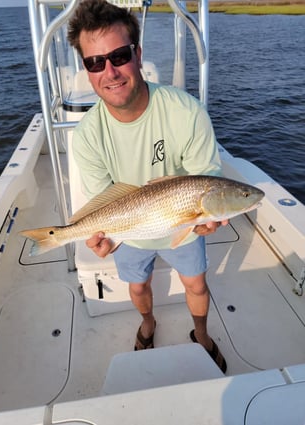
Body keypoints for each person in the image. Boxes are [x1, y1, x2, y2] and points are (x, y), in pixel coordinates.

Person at [68, 0, 227, 372]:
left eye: (119, 55)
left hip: (184, 225)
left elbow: (204, 180)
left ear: (137, 54)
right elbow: (106, 199)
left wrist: (206, 220)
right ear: (87, 71)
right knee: (138, 288)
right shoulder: (88, 136)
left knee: (197, 286)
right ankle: (148, 322)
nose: (109, 71)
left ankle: (201, 334)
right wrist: (107, 237)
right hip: (130, 232)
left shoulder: (187, 111)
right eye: (94, 62)